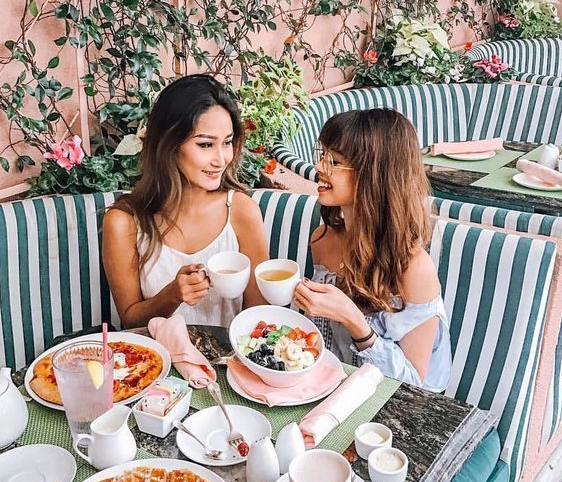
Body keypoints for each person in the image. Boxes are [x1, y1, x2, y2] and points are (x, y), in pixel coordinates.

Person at [292, 108, 452, 392]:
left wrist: (354, 320)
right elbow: (324, 340)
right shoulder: (323, 239)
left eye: (335, 161)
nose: (319, 167)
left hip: (397, 406)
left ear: (374, 176)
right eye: (323, 155)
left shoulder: (414, 268)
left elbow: (413, 383)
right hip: (335, 386)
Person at [103, 75, 268, 328]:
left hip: (227, 363)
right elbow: (130, 319)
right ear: (168, 144)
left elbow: (258, 314)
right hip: (155, 364)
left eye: (227, 142)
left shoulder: (241, 211)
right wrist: (171, 296)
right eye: (205, 144)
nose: (221, 159)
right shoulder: (125, 221)